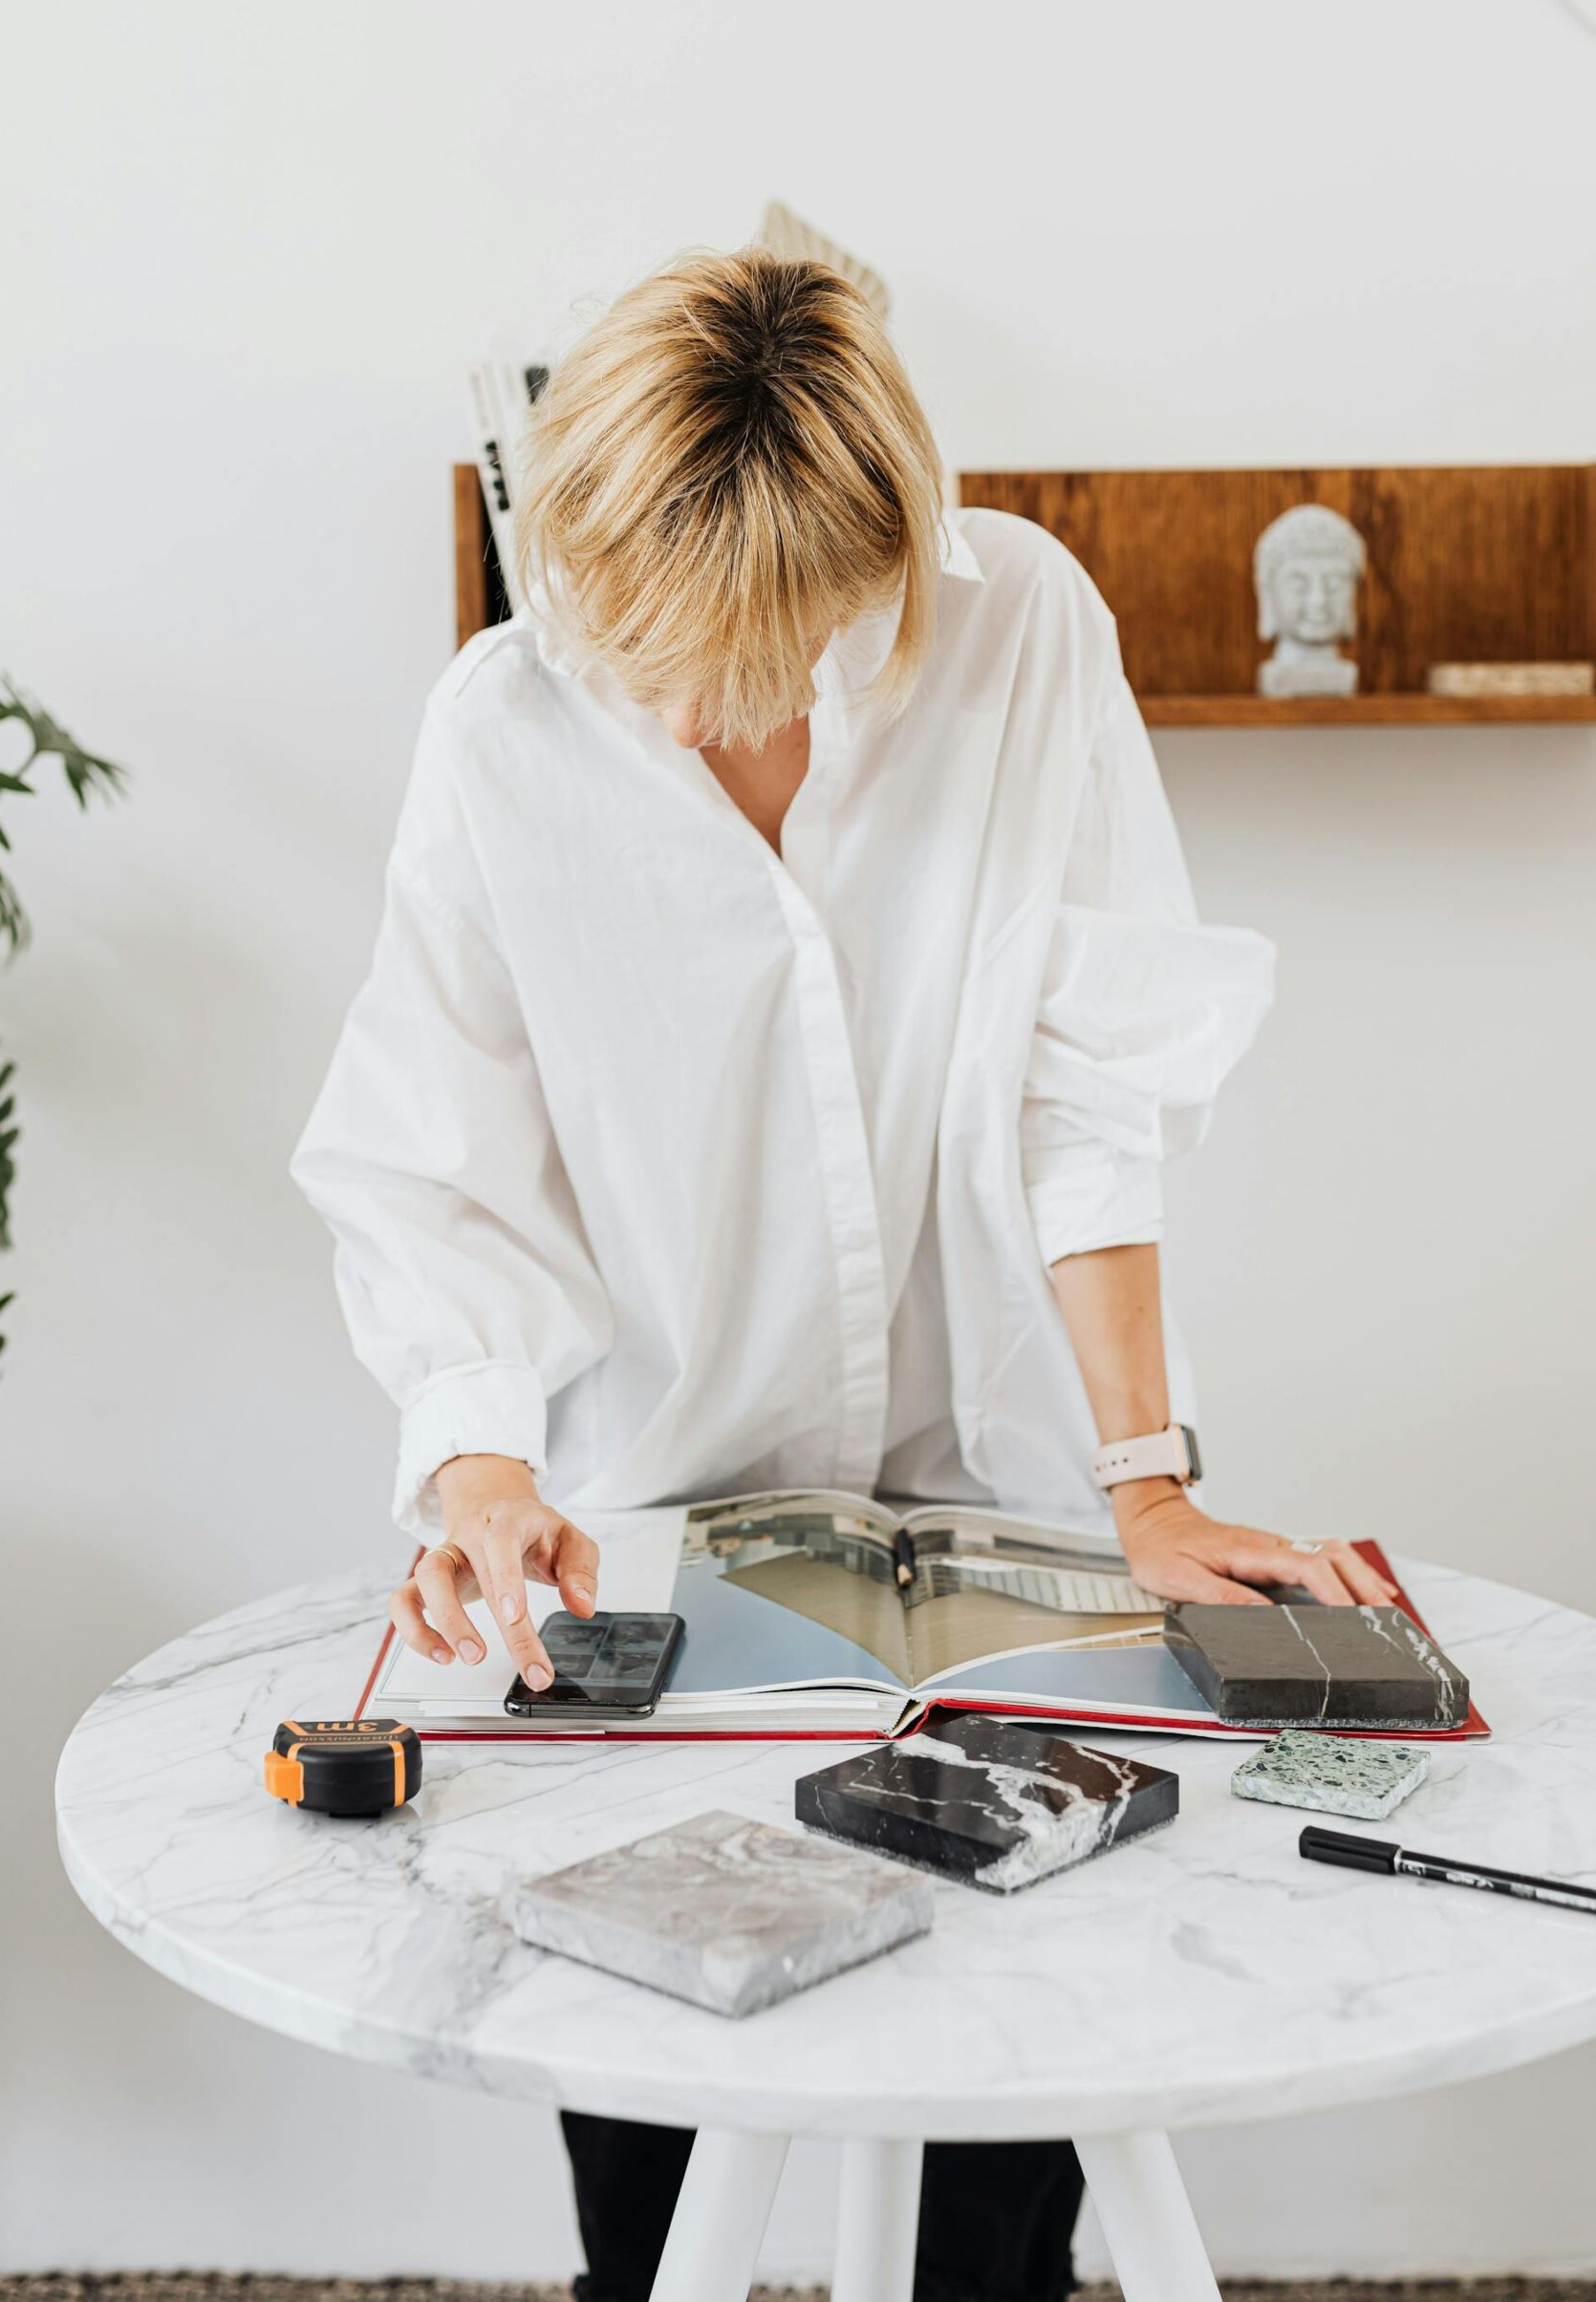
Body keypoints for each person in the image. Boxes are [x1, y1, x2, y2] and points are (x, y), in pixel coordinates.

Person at [293, 247, 1392, 2302]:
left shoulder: (1019, 628)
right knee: (634, 2077)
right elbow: (431, 1137)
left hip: (993, 1490)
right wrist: (471, 1465)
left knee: (1010, 2099)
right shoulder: (500, 721)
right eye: (655, 660)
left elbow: (1084, 1082)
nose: (704, 712)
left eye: (766, 654)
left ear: (875, 562)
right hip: (647, 1511)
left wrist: (1141, 1474)